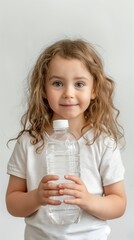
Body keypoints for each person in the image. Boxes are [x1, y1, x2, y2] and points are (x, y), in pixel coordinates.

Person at [6, 38, 126, 240]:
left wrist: (88, 200)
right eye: (57, 83)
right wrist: (36, 197)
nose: (68, 93)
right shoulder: (30, 142)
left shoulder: (102, 141)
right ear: (43, 89)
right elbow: (12, 203)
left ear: (94, 90)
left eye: (79, 84)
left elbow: (119, 203)